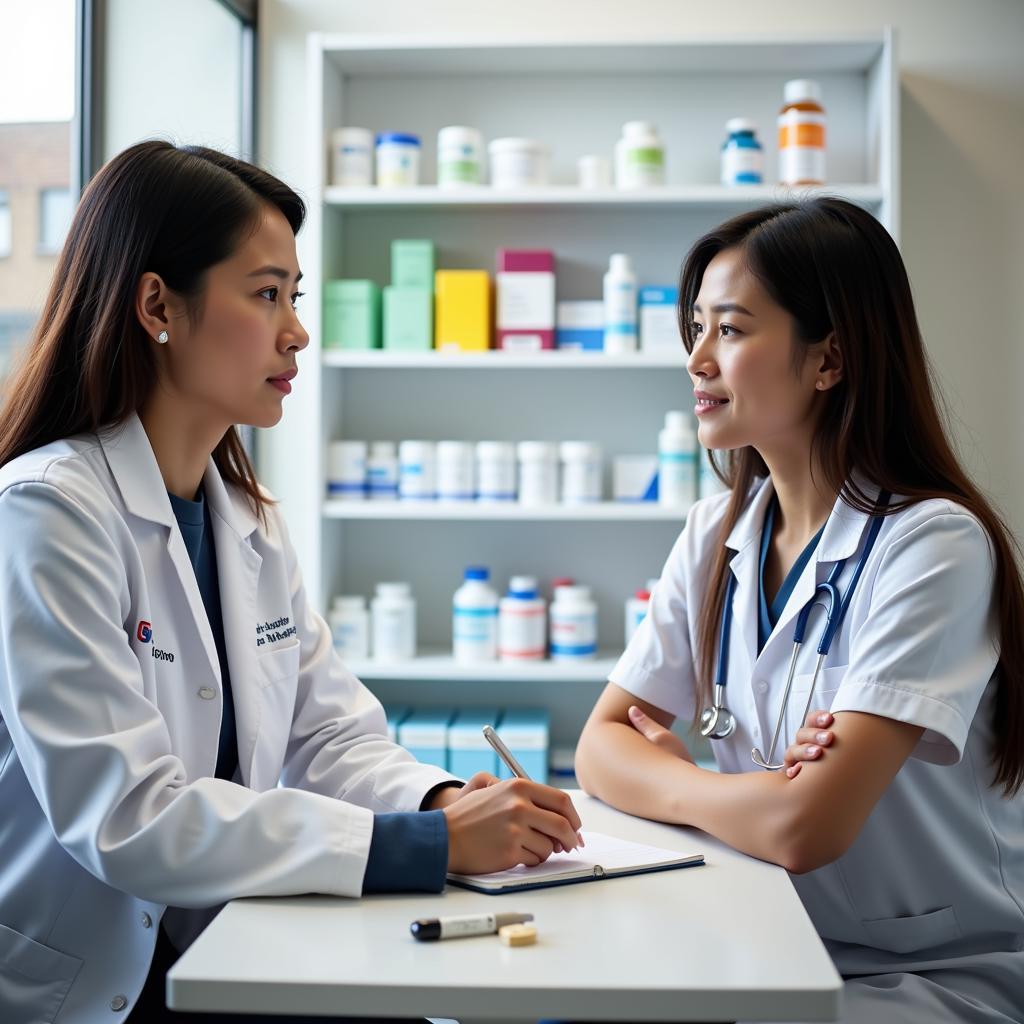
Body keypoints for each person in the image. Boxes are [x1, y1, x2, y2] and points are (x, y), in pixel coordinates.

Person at [0, 141, 582, 1024]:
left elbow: (327, 736)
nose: (297, 330)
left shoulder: (248, 516)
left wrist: (443, 800)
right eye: (266, 293)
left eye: (295, 297)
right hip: (85, 987)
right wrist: (424, 845)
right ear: (157, 303)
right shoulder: (48, 513)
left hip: (229, 945)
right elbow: (124, 816)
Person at [575, 198, 1024, 1024]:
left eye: (732, 330)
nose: (696, 359)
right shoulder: (718, 534)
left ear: (830, 359)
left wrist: (683, 780)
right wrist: (757, 792)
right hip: (772, 939)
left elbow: (803, 831)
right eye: (697, 326)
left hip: (937, 970)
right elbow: (599, 749)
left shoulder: (933, 545)